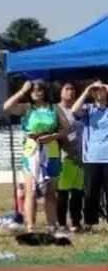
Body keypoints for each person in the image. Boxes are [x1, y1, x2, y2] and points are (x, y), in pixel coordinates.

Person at [3, 80, 70, 233]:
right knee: (31, 191)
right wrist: (22, 90)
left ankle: (52, 225)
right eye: (32, 90)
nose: (36, 92)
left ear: (45, 91)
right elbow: (7, 107)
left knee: (50, 192)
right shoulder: (27, 108)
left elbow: (67, 128)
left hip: (51, 151)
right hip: (31, 152)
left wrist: (53, 136)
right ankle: (31, 226)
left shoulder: (55, 109)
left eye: (39, 89)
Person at [71, 81, 108, 229]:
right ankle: (90, 222)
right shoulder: (88, 109)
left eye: (102, 89)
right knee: (91, 191)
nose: (99, 92)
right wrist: (86, 91)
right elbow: (74, 110)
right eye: (96, 90)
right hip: (92, 157)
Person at [56, 82, 84, 232]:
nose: (70, 92)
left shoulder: (80, 110)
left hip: (80, 158)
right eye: (67, 89)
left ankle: (76, 223)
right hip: (64, 157)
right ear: (60, 92)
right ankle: (61, 223)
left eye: (73, 89)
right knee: (63, 193)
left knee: (78, 193)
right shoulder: (55, 110)